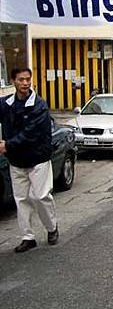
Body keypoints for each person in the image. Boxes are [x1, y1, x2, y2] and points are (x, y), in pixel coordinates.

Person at [0, 68, 59, 253]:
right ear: (13, 81)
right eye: (21, 80)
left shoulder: (39, 105)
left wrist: (7, 144)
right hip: (16, 160)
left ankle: (51, 228)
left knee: (41, 196)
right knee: (21, 199)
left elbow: (31, 133)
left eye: (28, 79)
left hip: (37, 158)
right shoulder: (6, 104)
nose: (25, 83)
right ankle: (28, 237)